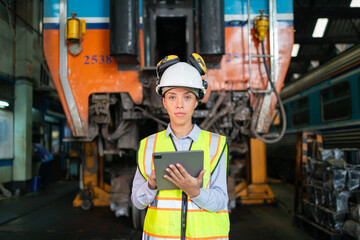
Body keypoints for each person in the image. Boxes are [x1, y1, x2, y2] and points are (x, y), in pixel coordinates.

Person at [131, 54, 230, 240]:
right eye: (172, 97)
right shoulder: (147, 146)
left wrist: (195, 192)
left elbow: (221, 201)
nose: (179, 105)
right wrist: (151, 185)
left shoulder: (216, 145)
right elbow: (137, 202)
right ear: (164, 102)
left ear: (196, 101)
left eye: (187, 97)